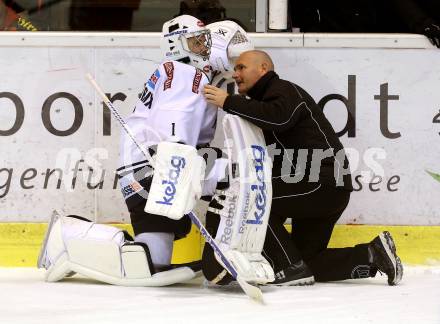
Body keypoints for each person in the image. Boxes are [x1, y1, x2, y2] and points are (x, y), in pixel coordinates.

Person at [37, 15, 219, 286]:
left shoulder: (170, 70)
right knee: (234, 177)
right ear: (176, 44)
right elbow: (175, 124)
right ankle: (66, 236)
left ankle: (69, 236)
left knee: (149, 261)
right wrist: (177, 162)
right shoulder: (186, 73)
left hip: (138, 170)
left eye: (204, 40)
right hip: (159, 168)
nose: (203, 47)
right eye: (195, 41)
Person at [203, 49, 404, 286]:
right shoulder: (263, 102)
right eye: (235, 68)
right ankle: (372, 254)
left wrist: (228, 101)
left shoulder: (283, 90)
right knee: (309, 260)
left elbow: (278, 118)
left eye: (241, 67)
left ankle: (289, 267)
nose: (235, 74)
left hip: (320, 182)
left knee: (256, 202)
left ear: (264, 68)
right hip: (325, 187)